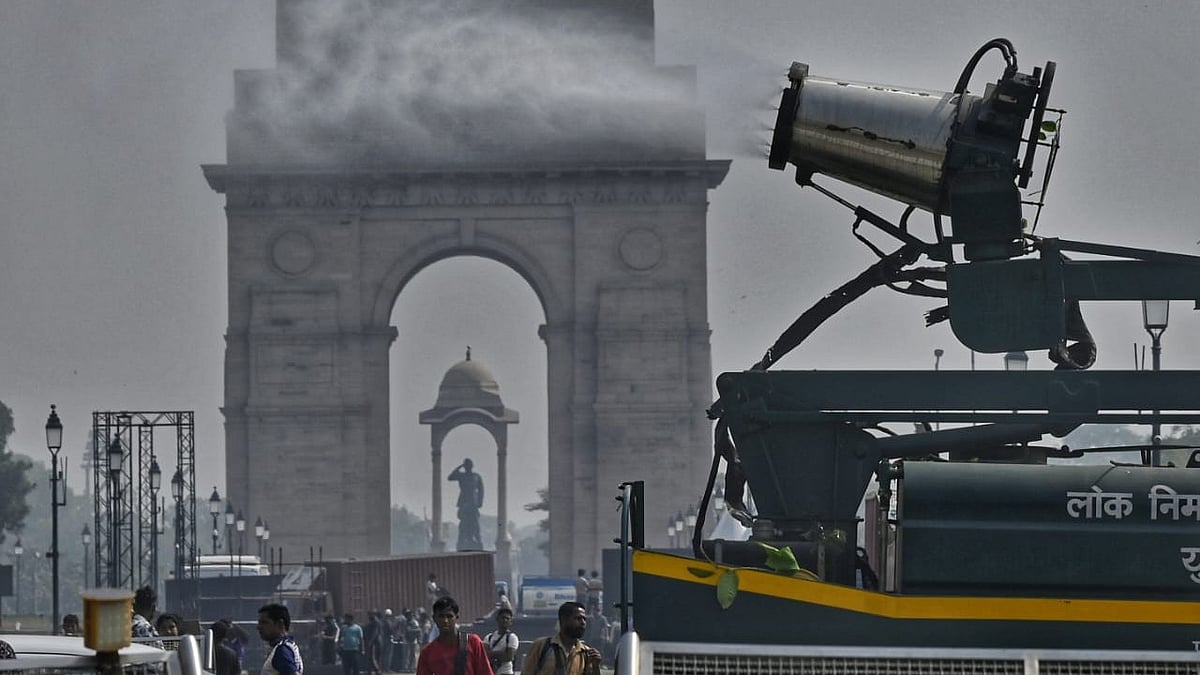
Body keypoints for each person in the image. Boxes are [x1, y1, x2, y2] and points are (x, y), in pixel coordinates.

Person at [415, 596, 492, 675]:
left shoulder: (473, 642)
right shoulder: (427, 653)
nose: (445, 621)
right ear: (434, 618)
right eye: (441, 616)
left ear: (457, 617)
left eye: (449, 616)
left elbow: (485, 672)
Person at [519, 602, 601, 675]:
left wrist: (596, 666)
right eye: (578, 618)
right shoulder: (542, 646)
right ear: (564, 620)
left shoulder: (585, 653)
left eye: (584, 619)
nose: (583, 623)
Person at [448, 458, 485, 551]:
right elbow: (450, 477)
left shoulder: (476, 476)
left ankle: (477, 540)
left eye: (469, 465)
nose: (468, 467)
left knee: (475, 524)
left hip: (473, 502)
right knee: (463, 524)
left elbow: (481, 490)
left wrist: (480, 501)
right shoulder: (462, 476)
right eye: (466, 465)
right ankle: (463, 541)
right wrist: (459, 467)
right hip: (464, 502)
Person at [257, 603, 303, 675]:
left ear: (280, 624)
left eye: (264, 622)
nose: (259, 627)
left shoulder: (282, 650)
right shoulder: (287, 646)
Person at [483, 608, 518, 675]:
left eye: (507, 619)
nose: (505, 620)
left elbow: (508, 657)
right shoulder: (489, 637)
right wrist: (502, 653)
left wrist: (492, 653)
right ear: (497, 619)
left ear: (511, 622)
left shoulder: (512, 638)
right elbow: (484, 655)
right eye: (503, 618)